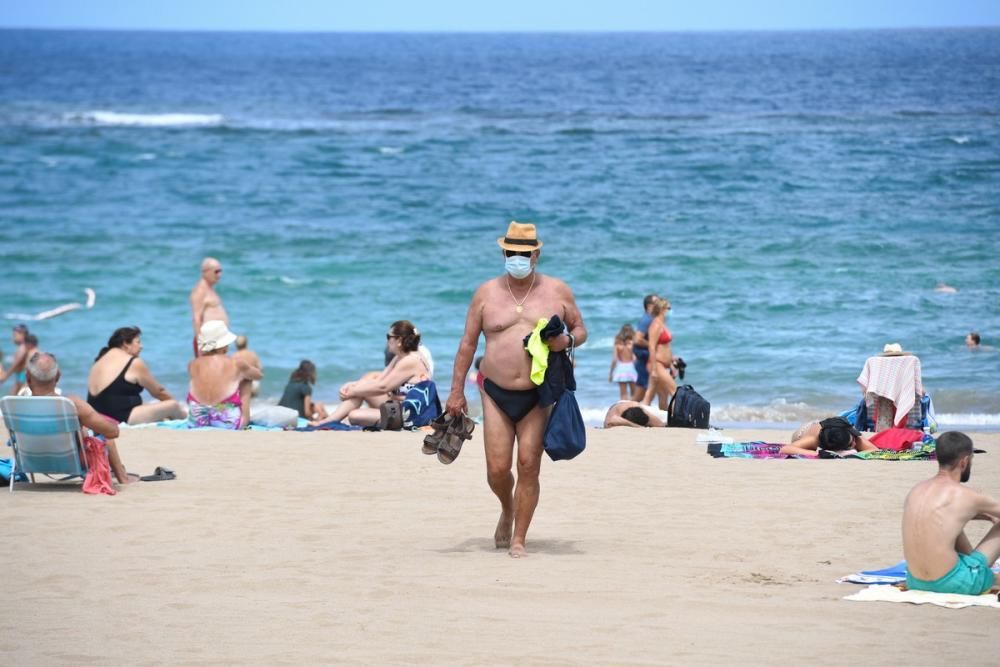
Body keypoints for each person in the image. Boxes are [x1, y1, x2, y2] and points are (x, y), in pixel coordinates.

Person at [446, 221, 587, 558]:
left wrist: (566, 341)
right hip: (494, 392)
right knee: (497, 469)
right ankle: (507, 509)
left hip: (538, 395)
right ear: (503, 252)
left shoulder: (557, 291)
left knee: (528, 464)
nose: (517, 258)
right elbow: (467, 344)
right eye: (511, 252)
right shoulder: (486, 293)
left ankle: (520, 537)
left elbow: (580, 330)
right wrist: (455, 392)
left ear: (536, 254)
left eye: (523, 253)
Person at [902, 431, 1000, 595]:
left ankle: (974, 567)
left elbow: (945, 514)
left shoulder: (916, 490)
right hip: (954, 583)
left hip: (915, 581)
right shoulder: (968, 495)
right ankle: (979, 574)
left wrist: (983, 515)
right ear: (964, 462)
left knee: (948, 526)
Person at [26, 351, 134, 484]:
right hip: (70, 462)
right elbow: (113, 432)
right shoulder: (72, 404)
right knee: (101, 432)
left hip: (31, 462)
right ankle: (123, 477)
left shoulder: (14, 406)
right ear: (58, 376)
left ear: (27, 377)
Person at [309, 321, 431, 427]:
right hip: (399, 407)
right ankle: (328, 421)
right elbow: (380, 380)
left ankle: (328, 421)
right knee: (361, 388)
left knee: (354, 415)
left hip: (412, 414)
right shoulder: (400, 357)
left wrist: (354, 391)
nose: (387, 340)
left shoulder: (410, 360)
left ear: (399, 340)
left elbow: (383, 387)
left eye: (389, 336)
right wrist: (352, 385)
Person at [87, 326, 186, 424]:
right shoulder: (132, 362)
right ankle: (192, 424)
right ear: (126, 344)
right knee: (173, 406)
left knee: (151, 407)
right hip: (119, 417)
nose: (141, 346)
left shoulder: (99, 361)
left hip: (97, 417)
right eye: (138, 342)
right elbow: (159, 392)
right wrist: (177, 409)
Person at [187, 320, 262, 429]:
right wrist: (243, 373)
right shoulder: (236, 363)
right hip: (226, 422)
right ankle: (245, 419)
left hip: (196, 421)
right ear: (223, 345)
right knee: (247, 379)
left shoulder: (192, 364)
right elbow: (259, 375)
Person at [189, 257, 228, 357]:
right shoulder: (200, 291)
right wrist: (200, 348)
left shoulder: (209, 289)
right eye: (216, 272)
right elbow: (196, 320)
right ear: (205, 272)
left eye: (220, 271)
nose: (219, 275)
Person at [641, 297, 676, 410]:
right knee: (674, 391)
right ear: (661, 309)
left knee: (661, 395)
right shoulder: (655, 325)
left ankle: (664, 420)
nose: (670, 311)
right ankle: (681, 419)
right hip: (657, 364)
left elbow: (666, 347)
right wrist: (654, 369)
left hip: (663, 364)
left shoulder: (662, 324)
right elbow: (651, 346)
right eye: (668, 308)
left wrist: (671, 364)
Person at [780, 417, 878, 456]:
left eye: (852, 440)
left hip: (835, 426)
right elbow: (785, 449)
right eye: (851, 444)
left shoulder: (851, 433)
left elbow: (875, 450)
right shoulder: (814, 439)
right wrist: (813, 453)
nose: (855, 444)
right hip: (804, 430)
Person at [632, 294, 657, 403]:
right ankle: (626, 414)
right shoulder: (646, 319)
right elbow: (638, 339)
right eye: (656, 303)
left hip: (646, 358)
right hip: (643, 359)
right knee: (641, 391)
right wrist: (652, 345)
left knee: (647, 391)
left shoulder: (651, 319)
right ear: (649, 306)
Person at [609, 323, 638, 400]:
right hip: (632, 368)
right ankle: (633, 410)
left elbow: (614, 359)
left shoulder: (617, 344)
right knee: (634, 393)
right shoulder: (632, 343)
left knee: (623, 395)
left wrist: (611, 373)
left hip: (621, 369)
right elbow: (635, 358)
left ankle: (624, 411)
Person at [0, 324, 30, 395]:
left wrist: (5, 376)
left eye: (15, 335)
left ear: (22, 334)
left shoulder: (22, 348)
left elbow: (15, 365)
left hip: (22, 377)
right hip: (21, 376)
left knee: (14, 396)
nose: (13, 338)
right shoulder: (25, 347)